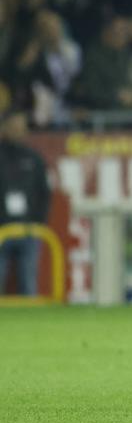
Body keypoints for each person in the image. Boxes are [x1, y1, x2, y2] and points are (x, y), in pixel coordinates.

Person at [0, 111, 51, 296]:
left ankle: (32, 322)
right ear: (3, 128)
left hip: (29, 229)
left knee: (29, 283)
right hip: (1, 230)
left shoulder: (34, 158)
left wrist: (39, 223)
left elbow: (44, 193)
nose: (18, 131)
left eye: (21, 127)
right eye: (14, 127)